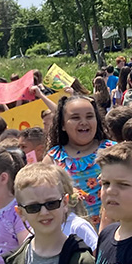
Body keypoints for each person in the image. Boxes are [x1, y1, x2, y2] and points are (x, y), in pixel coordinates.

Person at [45, 95, 115, 229]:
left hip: (114, 231)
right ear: (63, 125)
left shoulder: (112, 150)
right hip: (73, 236)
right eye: (75, 118)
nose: (84, 122)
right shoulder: (53, 158)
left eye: (89, 116)